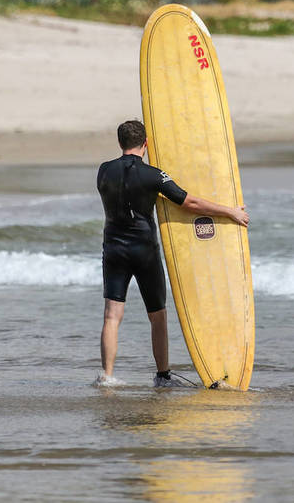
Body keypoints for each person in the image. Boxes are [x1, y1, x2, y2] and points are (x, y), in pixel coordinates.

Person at [95, 119, 249, 387]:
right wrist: (230, 211)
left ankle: (107, 377)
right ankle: (163, 376)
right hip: (144, 250)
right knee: (157, 315)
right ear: (146, 143)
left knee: (111, 315)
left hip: (114, 249)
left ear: (120, 143)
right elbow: (190, 202)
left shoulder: (104, 171)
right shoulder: (154, 175)